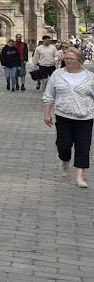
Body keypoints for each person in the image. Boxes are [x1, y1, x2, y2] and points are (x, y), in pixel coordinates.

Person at [42, 47, 94, 189]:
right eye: (67, 58)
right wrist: (47, 113)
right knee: (63, 145)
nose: (68, 61)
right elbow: (49, 94)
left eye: (72, 59)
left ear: (80, 61)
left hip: (85, 117)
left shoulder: (90, 77)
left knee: (83, 146)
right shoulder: (57, 74)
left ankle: (80, 176)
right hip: (64, 116)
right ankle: (65, 161)